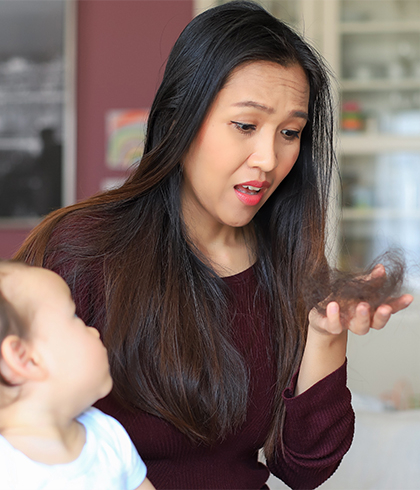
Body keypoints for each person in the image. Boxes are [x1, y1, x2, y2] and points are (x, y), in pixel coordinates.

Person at [14, 2, 413, 489]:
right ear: (181, 118)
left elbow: (305, 469)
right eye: (245, 126)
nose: (267, 159)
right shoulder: (81, 249)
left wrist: (326, 334)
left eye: (290, 133)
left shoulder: (285, 262)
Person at [0, 260, 155, 490]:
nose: (93, 330)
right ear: (25, 358)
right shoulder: (8, 468)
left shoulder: (108, 436)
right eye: (74, 316)